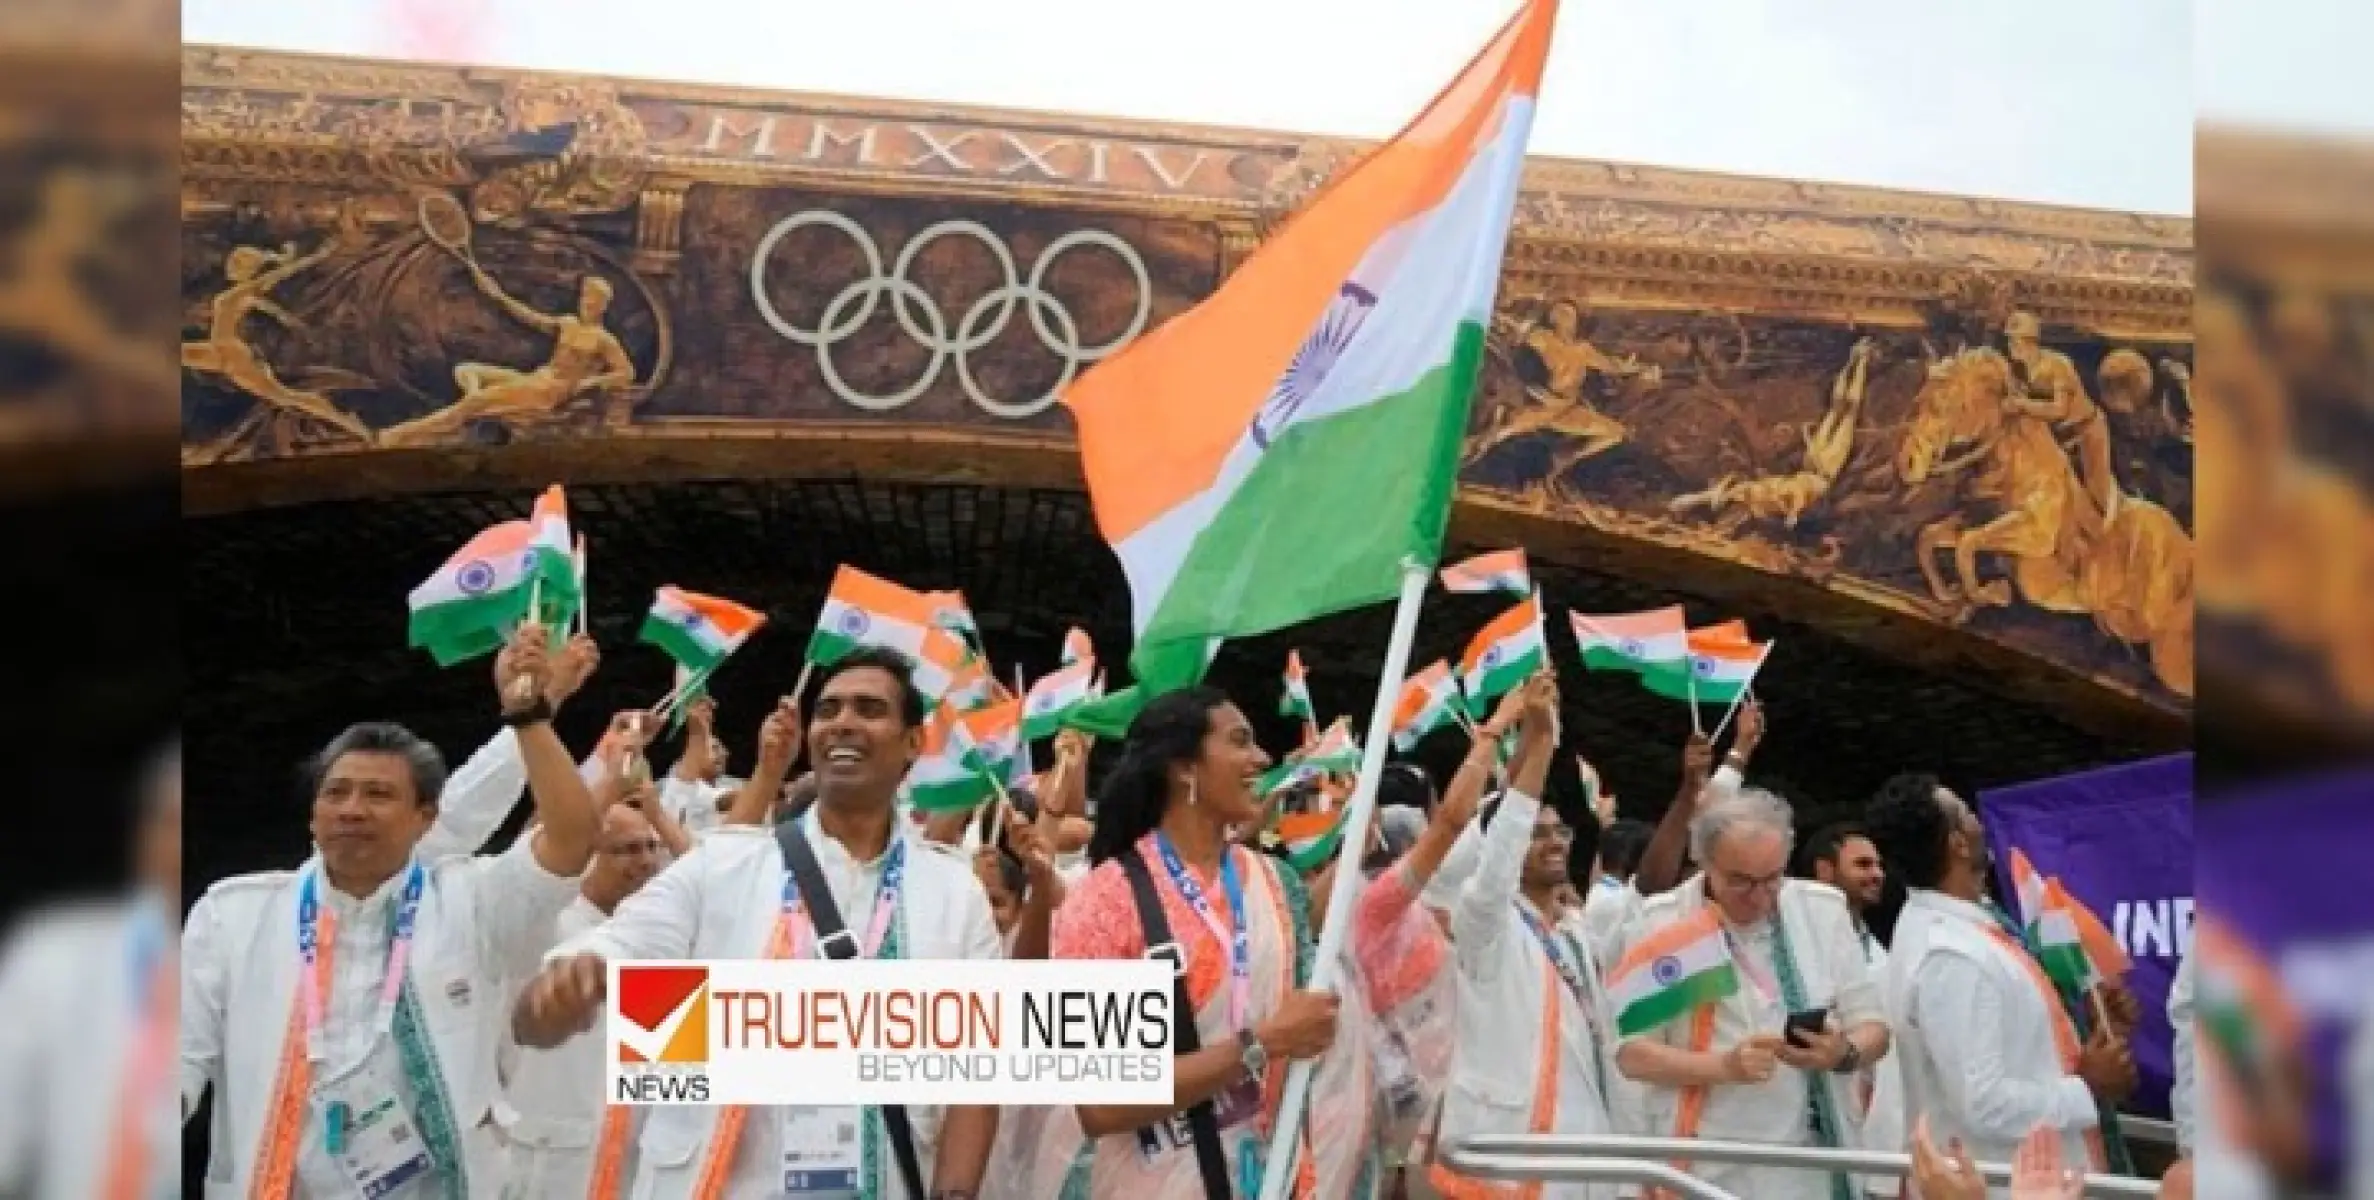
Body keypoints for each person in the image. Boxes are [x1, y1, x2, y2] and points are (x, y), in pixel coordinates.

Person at [512, 648, 1005, 1199]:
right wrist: (572, 983)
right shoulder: (723, 865)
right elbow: (610, 953)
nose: (842, 722)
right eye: (829, 710)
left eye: (868, 709)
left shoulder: (955, 892)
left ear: (913, 742)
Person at [180, 624, 600, 1197]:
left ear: (425, 817)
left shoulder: (469, 901)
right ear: (311, 816)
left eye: (378, 796)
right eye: (336, 793)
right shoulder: (235, 915)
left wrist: (530, 718)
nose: (353, 810)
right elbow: (177, 1058)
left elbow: (572, 838)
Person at [1048, 686, 1339, 1199]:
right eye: (1240, 742)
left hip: (1274, 1177)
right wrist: (1261, 1045)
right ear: (1184, 768)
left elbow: (1301, 1048)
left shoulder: (1276, 883)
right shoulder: (1106, 899)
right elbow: (1100, 1104)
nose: (1262, 758)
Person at [1614, 787, 1890, 1200]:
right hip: (1709, 1166)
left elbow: (1874, 1027)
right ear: (1704, 862)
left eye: (1773, 879)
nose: (1760, 896)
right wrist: (1722, 1067)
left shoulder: (1821, 910)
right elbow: (1632, 1055)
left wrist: (1843, 1053)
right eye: (1741, 881)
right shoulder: (1665, 925)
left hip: (1814, 1159)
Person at [1864, 774, 2132, 1190]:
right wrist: (2088, 1087)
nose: (1979, 822)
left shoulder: (1971, 927)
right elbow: (1984, 1105)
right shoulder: (1950, 956)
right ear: (1956, 841)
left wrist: (2092, 1035)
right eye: (1968, 814)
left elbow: (2021, 1048)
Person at [1424, 674, 1624, 1200]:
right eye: (1537, 835)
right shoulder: (1484, 919)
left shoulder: (1578, 934)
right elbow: (1494, 853)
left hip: (1580, 1151)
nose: (1554, 843)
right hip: (1506, 1151)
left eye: (1561, 833)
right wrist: (1538, 750)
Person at [0, 737, 181, 1199]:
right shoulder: (53, 953)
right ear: (143, 832)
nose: (178, 847)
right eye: (168, 823)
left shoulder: (244, 950)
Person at [490, 791, 670, 1198]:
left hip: (640, 1156)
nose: (644, 862)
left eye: (650, 846)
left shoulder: (660, 939)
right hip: (552, 1162)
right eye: (625, 850)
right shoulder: (543, 929)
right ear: (587, 857)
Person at [1799, 821, 1902, 1198]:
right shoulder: (1799, 946)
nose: (1877, 875)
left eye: (1878, 865)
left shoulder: (1881, 951)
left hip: (1880, 1129)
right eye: (1862, 865)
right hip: (1821, 1123)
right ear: (1825, 870)